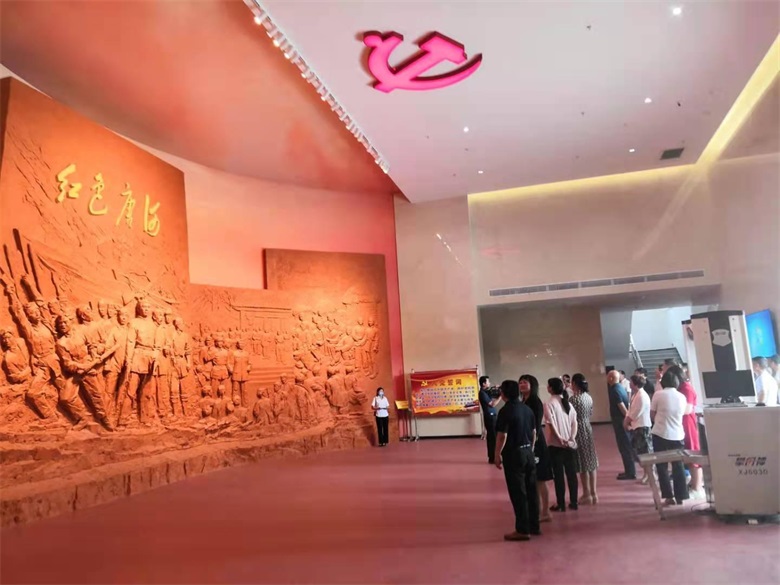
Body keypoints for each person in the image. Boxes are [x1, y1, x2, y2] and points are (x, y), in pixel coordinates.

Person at [494, 380, 540, 541]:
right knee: (532, 490)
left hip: (514, 455)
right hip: (528, 453)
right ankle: (534, 525)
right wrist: (530, 449)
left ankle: (522, 529)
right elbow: (534, 432)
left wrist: (497, 454)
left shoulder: (505, 411)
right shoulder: (527, 409)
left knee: (518, 492)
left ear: (504, 394)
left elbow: (502, 435)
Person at [650, 368, 689, 506]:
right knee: (678, 465)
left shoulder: (658, 395)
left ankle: (668, 496)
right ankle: (681, 496)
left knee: (662, 466)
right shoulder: (682, 397)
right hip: (678, 435)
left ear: (663, 382)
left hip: (660, 433)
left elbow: (652, 414)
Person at [519, 374, 553, 523]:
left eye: (525, 382)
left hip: (536, 443)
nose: (522, 385)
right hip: (527, 442)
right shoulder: (523, 401)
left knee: (540, 479)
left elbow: (536, 426)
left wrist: (532, 443)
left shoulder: (535, 402)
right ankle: (536, 510)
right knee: (532, 479)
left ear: (532, 385)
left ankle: (545, 511)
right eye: (520, 382)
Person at [668, 365, 704, 498]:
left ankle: (697, 487)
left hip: (688, 424)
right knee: (687, 456)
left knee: (693, 456)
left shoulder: (687, 388)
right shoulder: (680, 388)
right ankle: (693, 484)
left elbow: (687, 409)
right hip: (680, 425)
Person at [544, 378, 579, 511]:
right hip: (569, 444)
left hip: (555, 445)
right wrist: (571, 437)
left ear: (550, 388)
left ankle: (561, 504)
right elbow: (574, 422)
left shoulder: (549, 403)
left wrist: (559, 439)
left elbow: (550, 423)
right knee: (571, 474)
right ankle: (574, 502)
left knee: (558, 476)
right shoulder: (567, 403)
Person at [570, 373, 598, 504]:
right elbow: (590, 412)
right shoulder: (588, 397)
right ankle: (594, 493)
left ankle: (586, 494)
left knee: (582, 463)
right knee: (591, 461)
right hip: (588, 428)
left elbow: (570, 417)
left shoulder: (573, 400)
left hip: (578, 429)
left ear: (574, 384)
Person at [624, 374, 653, 484]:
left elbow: (636, 412)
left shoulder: (642, 396)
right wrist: (627, 418)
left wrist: (627, 420)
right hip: (637, 426)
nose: (629, 383)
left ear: (635, 384)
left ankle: (650, 474)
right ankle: (646, 473)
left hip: (643, 427)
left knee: (645, 452)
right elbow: (630, 409)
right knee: (640, 453)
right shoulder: (636, 394)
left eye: (631, 382)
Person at [607, 370, 635, 479]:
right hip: (621, 420)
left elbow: (621, 405)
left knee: (624, 446)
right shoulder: (620, 388)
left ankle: (630, 472)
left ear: (611, 378)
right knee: (625, 446)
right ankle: (629, 470)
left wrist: (627, 419)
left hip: (620, 421)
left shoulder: (614, 390)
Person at [478, 375, 499, 463]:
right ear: (483, 384)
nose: (489, 383)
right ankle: (492, 457)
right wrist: (501, 397)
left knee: (494, 437)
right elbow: (492, 404)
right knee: (492, 437)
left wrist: (495, 388)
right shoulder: (482, 393)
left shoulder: (486, 392)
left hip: (492, 416)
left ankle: (493, 456)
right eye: (488, 382)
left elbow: (491, 392)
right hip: (490, 417)